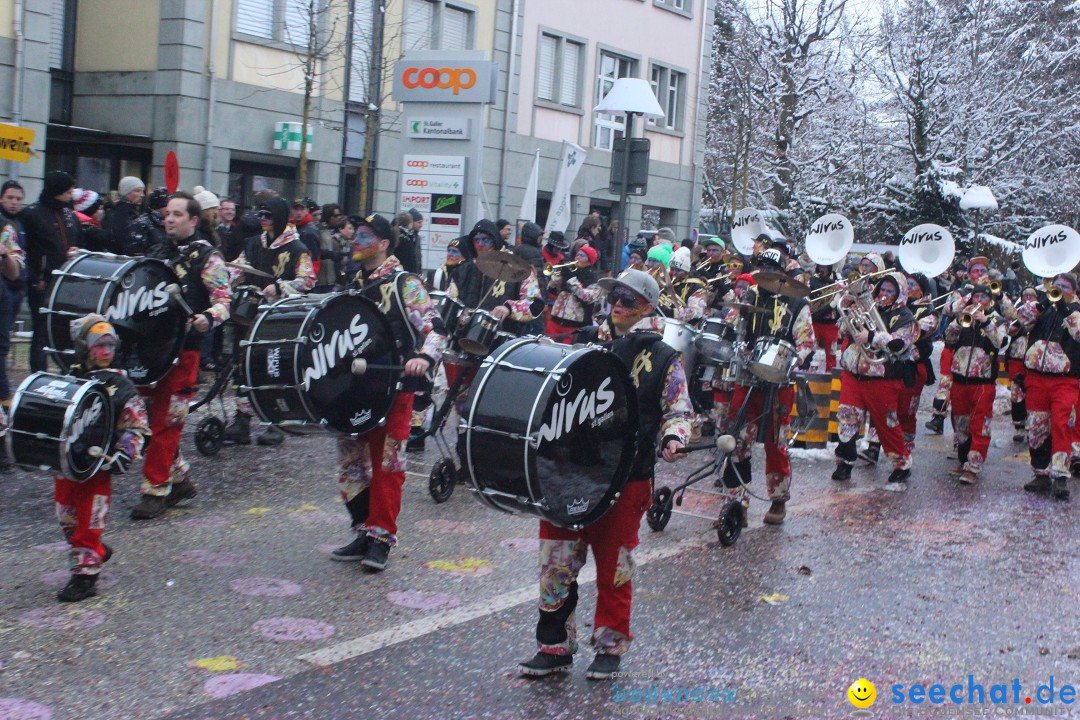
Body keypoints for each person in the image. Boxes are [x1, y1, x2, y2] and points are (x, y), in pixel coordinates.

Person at [518, 269, 689, 680]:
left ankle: (610, 646)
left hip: (625, 475)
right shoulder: (585, 343)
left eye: (628, 299)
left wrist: (674, 437)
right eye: (614, 296)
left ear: (648, 306)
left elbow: (679, 408)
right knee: (555, 561)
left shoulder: (665, 357)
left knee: (616, 565)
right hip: (569, 469)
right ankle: (554, 646)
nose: (617, 305)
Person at [331, 214, 445, 570]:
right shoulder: (356, 284)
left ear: (383, 245)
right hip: (357, 389)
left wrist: (424, 357)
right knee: (350, 463)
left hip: (395, 388)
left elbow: (435, 328)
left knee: (389, 464)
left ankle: (381, 537)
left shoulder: (404, 282)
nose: (355, 241)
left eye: (364, 236)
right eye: (355, 235)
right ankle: (364, 528)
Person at [132, 192, 231, 519]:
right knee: (146, 420)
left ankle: (156, 490)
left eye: (177, 214)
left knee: (167, 423)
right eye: (167, 214)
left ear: (193, 220)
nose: (169, 219)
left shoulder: (209, 257)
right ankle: (181, 479)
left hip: (184, 353)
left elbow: (223, 301)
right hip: (151, 352)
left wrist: (209, 318)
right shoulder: (157, 251)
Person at [52, 315, 150, 601]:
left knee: (88, 521)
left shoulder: (121, 385)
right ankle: (95, 551)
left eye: (111, 345)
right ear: (85, 347)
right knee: (66, 516)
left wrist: (125, 452)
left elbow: (137, 424)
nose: (106, 351)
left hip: (98, 466)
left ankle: (85, 577)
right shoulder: (69, 378)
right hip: (68, 464)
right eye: (99, 345)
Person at [716, 248, 814, 525]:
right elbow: (732, 328)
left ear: (782, 272)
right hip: (748, 378)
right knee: (736, 442)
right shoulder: (748, 296)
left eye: (770, 267)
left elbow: (806, 343)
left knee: (776, 442)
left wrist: (793, 363)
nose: (764, 271)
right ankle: (737, 504)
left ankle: (778, 499)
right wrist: (737, 349)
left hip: (779, 380)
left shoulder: (798, 303)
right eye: (760, 266)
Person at [223, 196, 316, 447]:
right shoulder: (253, 243)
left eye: (268, 216)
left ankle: (274, 422)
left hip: (277, 318)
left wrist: (281, 286)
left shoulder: (297, 248)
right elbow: (237, 267)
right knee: (242, 365)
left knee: (272, 369)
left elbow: (307, 280)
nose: (263, 220)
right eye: (260, 215)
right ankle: (242, 420)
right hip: (249, 314)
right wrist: (222, 278)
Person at [831, 270, 916, 484]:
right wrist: (848, 313)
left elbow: (900, 344)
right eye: (882, 289)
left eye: (890, 291)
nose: (884, 294)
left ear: (900, 294)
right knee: (847, 418)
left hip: (883, 378)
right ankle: (844, 463)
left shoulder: (906, 317)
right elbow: (842, 331)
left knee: (886, 424)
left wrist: (871, 336)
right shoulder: (867, 307)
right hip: (854, 374)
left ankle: (901, 464)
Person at [1016, 274, 1080, 500]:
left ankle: (1060, 475)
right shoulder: (1044, 308)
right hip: (1036, 378)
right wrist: (1042, 304)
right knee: (1036, 427)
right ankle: (1041, 473)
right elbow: (1020, 319)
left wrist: (1063, 308)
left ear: (1073, 290)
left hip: (1065, 379)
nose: (1059, 289)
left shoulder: (1075, 311)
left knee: (1063, 425)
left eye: (1065, 287)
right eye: (1056, 286)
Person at [944, 284, 1008, 484]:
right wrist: (957, 320)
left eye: (983, 297)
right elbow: (949, 338)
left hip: (982, 381)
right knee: (960, 423)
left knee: (980, 425)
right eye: (976, 296)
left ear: (990, 300)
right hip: (960, 379)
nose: (979, 301)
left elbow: (1001, 343)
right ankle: (963, 461)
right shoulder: (965, 317)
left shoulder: (998, 320)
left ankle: (974, 466)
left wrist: (987, 323)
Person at [22, 171, 83, 372]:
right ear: (57, 191)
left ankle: (68, 371)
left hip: (67, 281)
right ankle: (38, 375)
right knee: (41, 332)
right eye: (67, 190)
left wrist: (76, 251)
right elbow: (25, 248)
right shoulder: (32, 214)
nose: (71, 193)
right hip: (42, 282)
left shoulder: (69, 215)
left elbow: (78, 240)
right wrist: (34, 277)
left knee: (66, 332)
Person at [0, 180, 28, 411]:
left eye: (18, 198)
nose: (14, 202)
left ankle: (3, 396)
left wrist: (5, 256)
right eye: (10, 197)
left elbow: (14, 271)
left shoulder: (6, 227)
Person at [546, 244, 601, 339]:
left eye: (582, 256)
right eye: (577, 254)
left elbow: (586, 297)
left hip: (574, 326)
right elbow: (551, 287)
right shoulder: (570, 271)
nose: (578, 257)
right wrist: (559, 274)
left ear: (589, 262)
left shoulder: (594, 280)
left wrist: (572, 279)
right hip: (555, 321)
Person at [102, 176, 145, 255]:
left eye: (142, 191)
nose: (142, 195)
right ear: (126, 192)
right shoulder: (118, 214)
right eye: (137, 191)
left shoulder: (136, 212)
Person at [394, 210, 423, 274]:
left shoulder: (415, 237)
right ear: (411, 222)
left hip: (412, 275)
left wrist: (419, 274)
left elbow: (418, 259)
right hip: (402, 274)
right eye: (419, 222)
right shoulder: (402, 238)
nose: (421, 225)